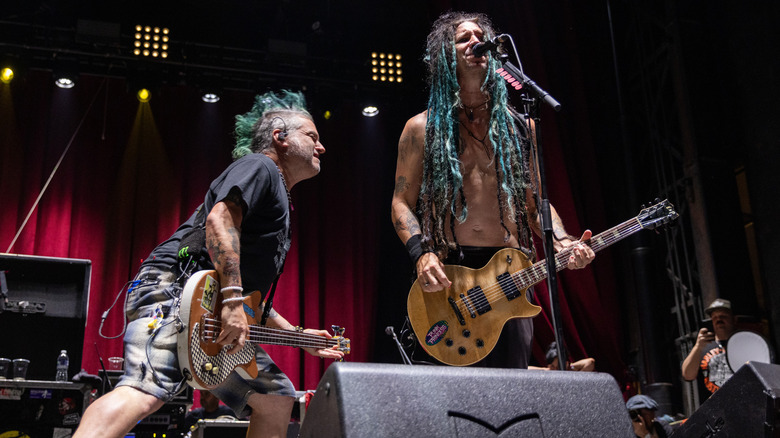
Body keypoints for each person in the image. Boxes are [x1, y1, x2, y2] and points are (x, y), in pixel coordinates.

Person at [73, 90, 343, 438]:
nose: (321, 147)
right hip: (175, 289)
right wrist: (231, 300)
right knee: (145, 390)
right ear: (281, 138)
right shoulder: (261, 165)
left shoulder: (278, 193)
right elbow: (220, 221)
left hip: (210, 303)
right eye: (312, 137)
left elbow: (249, 302)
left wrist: (298, 336)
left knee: (275, 398)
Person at [390, 11, 595, 368]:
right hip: (450, 273)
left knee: (507, 391)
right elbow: (401, 202)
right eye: (463, 38)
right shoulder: (421, 128)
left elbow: (535, 203)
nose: (475, 41)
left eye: (480, 35)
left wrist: (561, 240)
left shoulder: (521, 127)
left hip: (511, 271)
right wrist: (421, 254)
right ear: (445, 55)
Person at [681, 298, 738, 395]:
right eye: (714, 317)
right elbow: (687, 375)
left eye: (723, 316)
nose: (719, 320)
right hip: (714, 407)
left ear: (734, 319)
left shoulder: (744, 343)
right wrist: (698, 347)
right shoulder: (703, 346)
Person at [529, 341, 595, 371]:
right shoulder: (548, 371)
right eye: (552, 366)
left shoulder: (571, 370)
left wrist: (571, 366)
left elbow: (590, 362)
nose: (555, 370)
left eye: (558, 367)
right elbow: (526, 369)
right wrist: (544, 370)